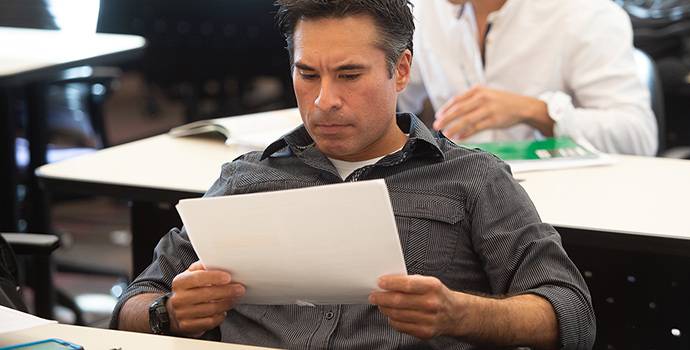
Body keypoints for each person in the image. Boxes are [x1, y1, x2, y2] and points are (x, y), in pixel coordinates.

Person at [110, 1, 595, 349]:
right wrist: (167, 313)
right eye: (307, 74)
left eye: (348, 75)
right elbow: (131, 304)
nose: (324, 101)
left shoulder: (471, 179)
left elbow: (570, 312)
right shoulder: (245, 180)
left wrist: (463, 314)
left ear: (400, 71)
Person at [399, 0, 658, 155]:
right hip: (456, 199)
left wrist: (537, 112)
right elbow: (401, 103)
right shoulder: (424, 9)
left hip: (565, 205)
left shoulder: (585, 13)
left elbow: (637, 137)